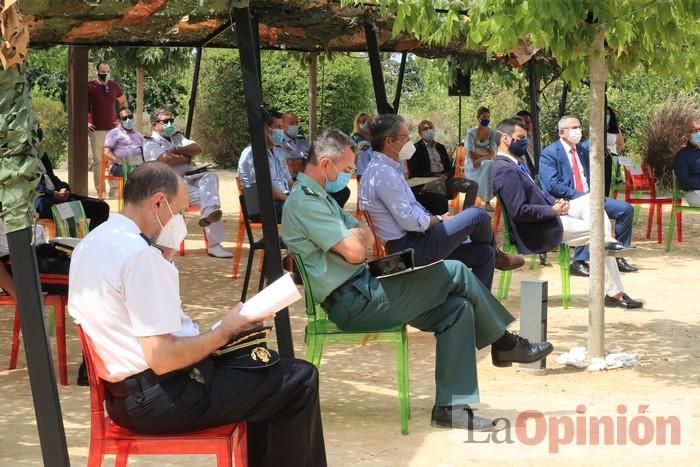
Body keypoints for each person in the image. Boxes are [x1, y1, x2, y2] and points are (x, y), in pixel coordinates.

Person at [282, 129, 553, 431]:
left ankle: (452, 408)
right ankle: (504, 343)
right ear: (324, 165)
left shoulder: (321, 195)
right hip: (354, 299)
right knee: (456, 270)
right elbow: (357, 250)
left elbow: (365, 236)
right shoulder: (305, 201)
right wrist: (355, 238)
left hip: (369, 279)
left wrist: (355, 236)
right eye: (345, 170)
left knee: (459, 308)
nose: (347, 175)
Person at [68, 162, 327, 466]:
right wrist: (223, 333)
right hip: (161, 398)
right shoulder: (139, 256)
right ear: (158, 203)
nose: (183, 220)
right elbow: (162, 357)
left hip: (126, 396)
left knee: (261, 370)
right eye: (180, 212)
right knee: (299, 379)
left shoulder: (95, 242)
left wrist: (165, 257)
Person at [359, 114, 524, 291]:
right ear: (389, 142)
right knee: (478, 215)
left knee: (484, 253)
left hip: (414, 243)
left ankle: (476, 312)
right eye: (405, 138)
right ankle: (499, 257)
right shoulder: (384, 174)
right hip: (407, 252)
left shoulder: (382, 169)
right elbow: (411, 222)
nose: (409, 142)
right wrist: (439, 219)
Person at [492, 118, 642, 309]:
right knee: (598, 234)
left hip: (549, 216)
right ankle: (615, 289)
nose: (525, 141)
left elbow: (536, 195)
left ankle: (608, 244)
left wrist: (555, 203)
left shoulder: (515, 163)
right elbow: (519, 211)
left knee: (592, 201)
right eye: (520, 137)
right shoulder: (504, 169)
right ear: (505, 139)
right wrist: (551, 210)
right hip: (538, 229)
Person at [539, 115, 637, 277]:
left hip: (590, 197)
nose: (578, 131)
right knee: (590, 209)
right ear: (562, 132)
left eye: (579, 127)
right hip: (567, 201)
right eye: (574, 128)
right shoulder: (549, 153)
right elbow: (552, 184)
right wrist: (580, 195)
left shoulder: (583, 151)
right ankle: (579, 262)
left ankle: (619, 257)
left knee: (625, 209)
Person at [142, 108, 232, 258]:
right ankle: (214, 243)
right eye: (165, 121)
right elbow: (165, 159)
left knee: (211, 180)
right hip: (170, 188)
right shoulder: (149, 143)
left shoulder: (177, 138)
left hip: (190, 180)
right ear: (154, 125)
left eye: (171, 120)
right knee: (208, 200)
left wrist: (175, 149)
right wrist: (186, 157)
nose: (170, 124)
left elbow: (197, 148)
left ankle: (209, 216)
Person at [34, 125, 110, 231]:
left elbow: (52, 177)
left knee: (101, 207)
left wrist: (62, 188)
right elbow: (32, 187)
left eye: (38, 127)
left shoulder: (42, 154)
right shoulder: (20, 159)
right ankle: (69, 243)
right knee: (66, 210)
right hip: (41, 202)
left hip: (57, 197)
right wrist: (53, 194)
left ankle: (90, 242)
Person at [409, 119, 479, 212]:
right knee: (439, 184)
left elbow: (449, 167)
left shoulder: (440, 147)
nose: (428, 130)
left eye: (430, 128)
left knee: (473, 185)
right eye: (425, 129)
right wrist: (434, 176)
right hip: (428, 179)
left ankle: (467, 214)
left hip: (445, 178)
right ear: (420, 132)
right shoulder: (416, 148)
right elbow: (414, 171)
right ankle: (442, 217)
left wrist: (446, 175)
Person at [238, 111, 295, 222]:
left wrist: (300, 194)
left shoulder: (278, 152)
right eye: (278, 127)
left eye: (282, 127)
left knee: (313, 205)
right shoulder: (252, 154)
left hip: (281, 201)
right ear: (266, 129)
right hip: (264, 206)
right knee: (304, 211)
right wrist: (290, 200)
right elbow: (266, 189)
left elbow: (289, 181)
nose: (281, 131)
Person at [88, 61, 128, 198]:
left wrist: (121, 117)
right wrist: (86, 122)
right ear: (97, 72)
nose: (105, 74)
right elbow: (83, 105)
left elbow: (123, 101)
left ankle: (115, 190)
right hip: (96, 130)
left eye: (107, 71)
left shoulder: (114, 86)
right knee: (99, 160)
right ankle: (101, 191)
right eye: (103, 72)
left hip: (113, 130)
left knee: (114, 159)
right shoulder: (90, 86)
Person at [464, 106, 497, 211]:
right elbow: (471, 152)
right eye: (484, 116)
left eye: (488, 117)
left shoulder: (492, 133)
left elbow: (492, 153)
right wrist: (481, 155)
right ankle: (482, 200)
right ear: (478, 118)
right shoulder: (471, 132)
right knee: (488, 164)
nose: (486, 119)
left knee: (490, 164)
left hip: (483, 161)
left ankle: (487, 201)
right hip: (472, 163)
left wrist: (481, 158)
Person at [103, 107, 144, 177]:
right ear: (119, 120)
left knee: (153, 171)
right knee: (138, 173)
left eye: (130, 117)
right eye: (124, 118)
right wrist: (120, 162)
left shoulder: (139, 135)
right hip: (119, 166)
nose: (128, 120)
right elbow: (106, 152)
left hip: (137, 163)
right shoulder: (114, 133)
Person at [673, 117, 700, 206]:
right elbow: (685, 183)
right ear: (687, 134)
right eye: (695, 131)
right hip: (694, 193)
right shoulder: (682, 155)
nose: (698, 133)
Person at [281, 112, 310, 177]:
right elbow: (292, 167)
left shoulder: (303, 142)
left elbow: (315, 163)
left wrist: (298, 162)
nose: (295, 126)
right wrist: (305, 162)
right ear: (282, 125)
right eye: (291, 123)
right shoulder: (279, 143)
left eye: (297, 123)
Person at [515, 110, 537, 174]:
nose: (525, 126)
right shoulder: (514, 143)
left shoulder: (536, 140)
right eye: (522, 123)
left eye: (527, 122)